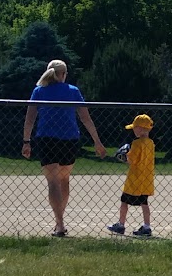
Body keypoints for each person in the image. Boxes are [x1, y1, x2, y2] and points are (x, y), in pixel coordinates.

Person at [21, 59, 107, 234]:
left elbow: (29, 118)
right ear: (63, 74)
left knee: (52, 181)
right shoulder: (73, 91)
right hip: (69, 139)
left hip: (47, 139)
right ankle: (60, 220)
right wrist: (97, 141)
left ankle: (59, 223)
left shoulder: (39, 91)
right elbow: (85, 118)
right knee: (63, 179)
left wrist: (26, 141)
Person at [107, 113, 155, 237]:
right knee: (144, 203)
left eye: (135, 128)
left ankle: (121, 225)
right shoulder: (151, 143)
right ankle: (147, 226)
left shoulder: (137, 143)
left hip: (134, 179)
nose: (133, 130)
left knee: (124, 201)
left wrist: (123, 156)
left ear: (141, 129)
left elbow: (131, 160)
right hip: (146, 179)